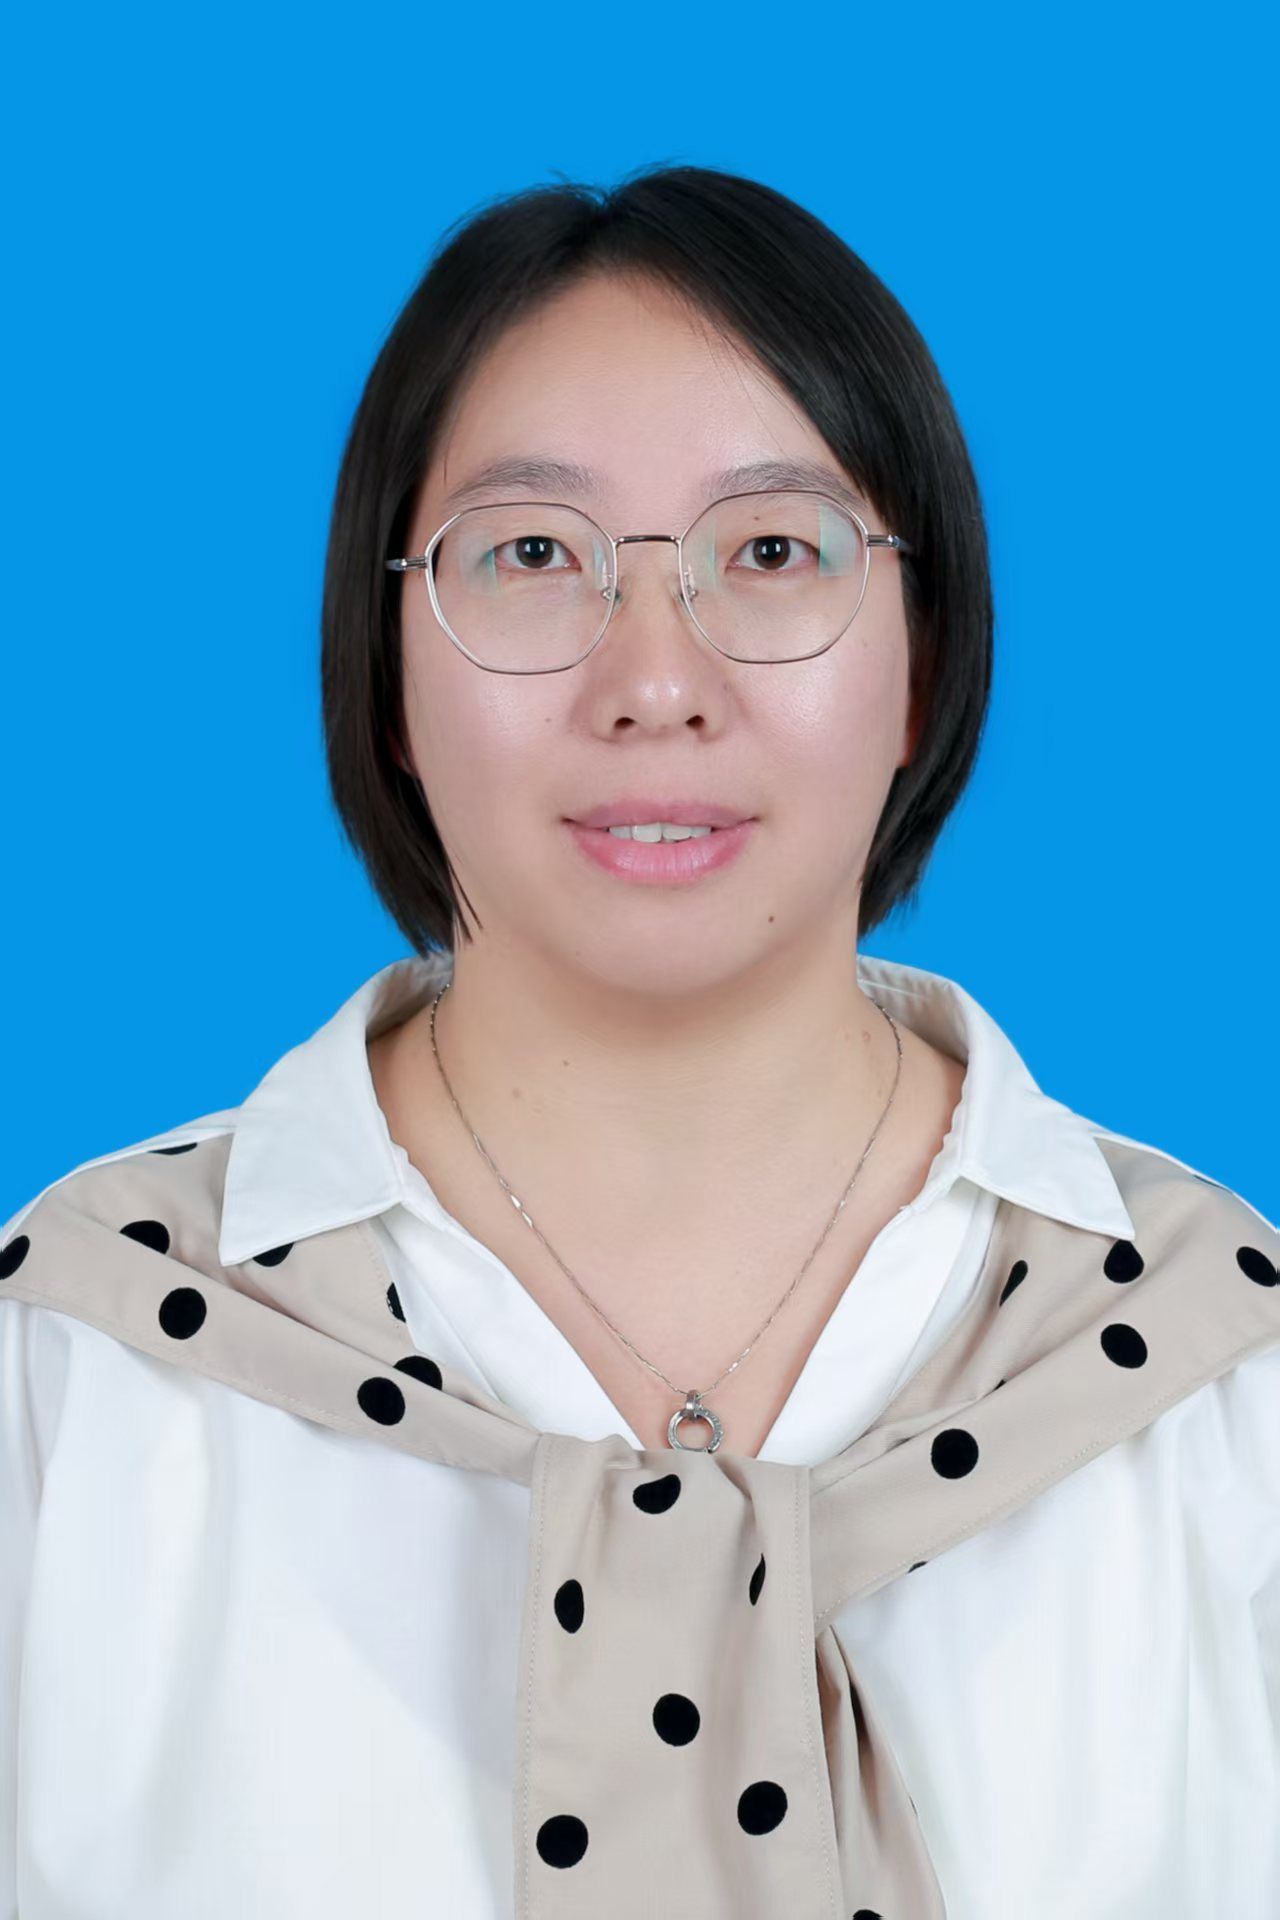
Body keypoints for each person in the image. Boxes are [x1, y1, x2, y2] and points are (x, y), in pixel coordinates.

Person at [2, 164, 1277, 1920]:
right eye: (534, 555)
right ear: (386, 665)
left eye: (775, 552)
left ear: (922, 658)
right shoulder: (79, 1369)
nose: (656, 682)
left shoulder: (1221, 1381)